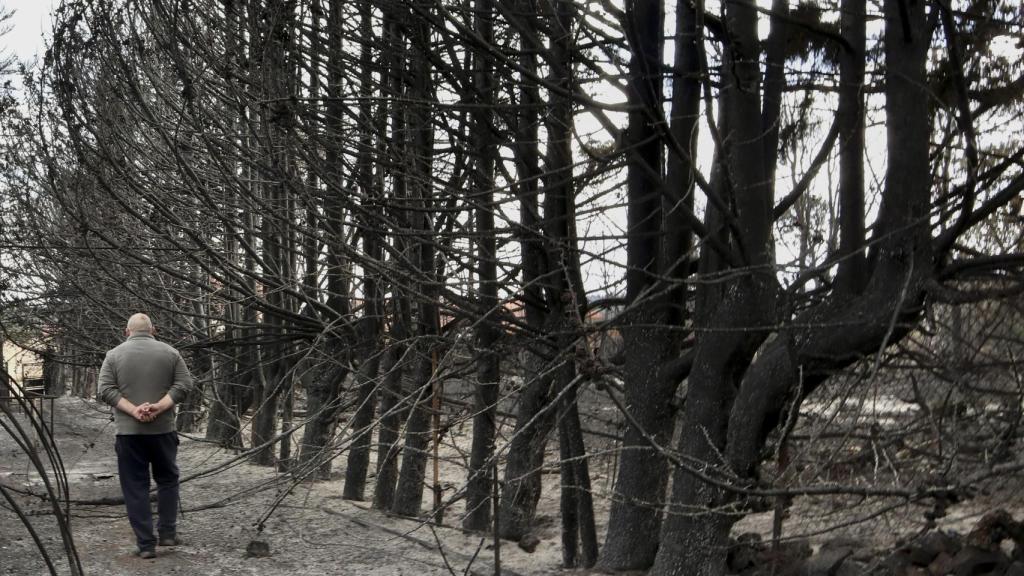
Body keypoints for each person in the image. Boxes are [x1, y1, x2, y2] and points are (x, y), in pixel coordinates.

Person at [98, 313, 193, 559]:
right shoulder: (171, 353)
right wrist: (159, 407)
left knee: (135, 487)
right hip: (163, 431)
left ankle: (146, 544)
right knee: (168, 480)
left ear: (126, 331)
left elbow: (105, 390)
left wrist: (134, 411)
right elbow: (184, 385)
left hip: (129, 434)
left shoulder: (113, 355)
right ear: (154, 329)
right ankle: (168, 533)